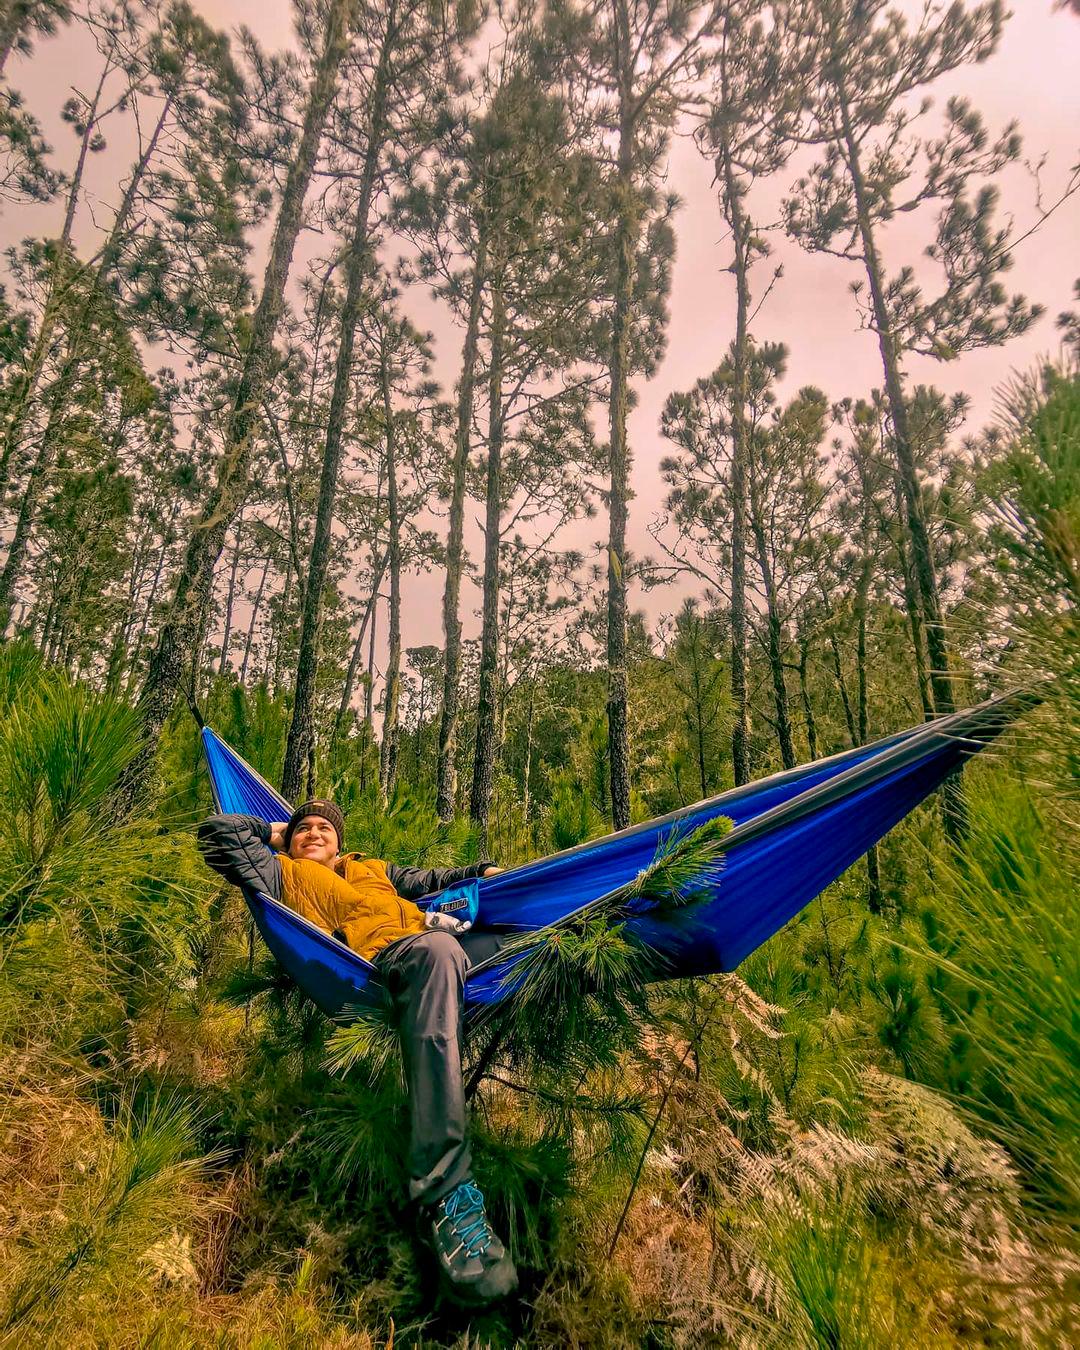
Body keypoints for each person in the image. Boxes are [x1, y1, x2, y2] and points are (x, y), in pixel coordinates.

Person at [197, 798, 518, 1306]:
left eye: (325, 827)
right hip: (383, 962)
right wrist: (275, 833)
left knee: (536, 940)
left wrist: (482, 871)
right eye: (305, 828)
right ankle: (445, 1194)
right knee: (438, 953)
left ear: (341, 840)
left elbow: (431, 879)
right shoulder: (281, 871)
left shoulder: (373, 869)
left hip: (432, 940)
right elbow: (219, 834)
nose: (315, 832)